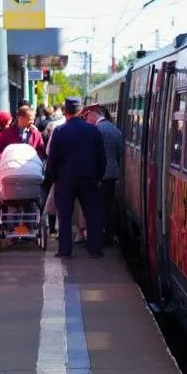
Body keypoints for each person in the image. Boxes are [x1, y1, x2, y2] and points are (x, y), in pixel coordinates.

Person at [46, 97, 106, 258]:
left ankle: (65, 250)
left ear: (65, 112)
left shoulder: (60, 131)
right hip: (89, 179)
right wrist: (98, 176)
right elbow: (101, 157)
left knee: (65, 216)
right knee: (92, 215)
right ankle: (95, 249)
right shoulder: (93, 131)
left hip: (65, 181)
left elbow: (53, 158)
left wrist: (52, 177)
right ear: (81, 111)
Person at [89, 106, 123, 245]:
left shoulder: (96, 130)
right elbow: (120, 151)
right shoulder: (116, 130)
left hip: (100, 172)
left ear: (94, 115)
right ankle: (110, 233)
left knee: (99, 205)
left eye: (89, 116)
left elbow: (92, 153)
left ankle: (101, 235)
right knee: (109, 205)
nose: (88, 120)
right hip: (113, 171)